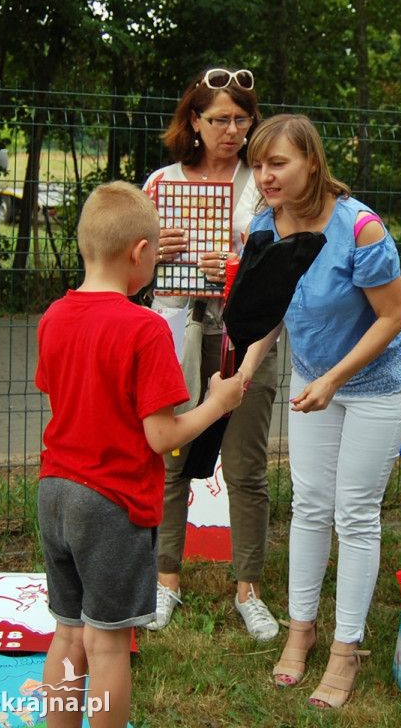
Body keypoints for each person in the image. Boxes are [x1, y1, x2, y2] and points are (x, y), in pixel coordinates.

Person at [35, 181, 244, 728]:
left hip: (54, 492)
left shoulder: (54, 316)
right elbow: (163, 437)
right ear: (140, 253)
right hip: (110, 503)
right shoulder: (144, 327)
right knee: (108, 646)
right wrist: (218, 403)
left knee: (66, 633)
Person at [238, 114, 401, 708]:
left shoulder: (360, 228)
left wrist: (335, 379)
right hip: (313, 379)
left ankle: (346, 649)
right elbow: (268, 311)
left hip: (376, 384)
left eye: (278, 163)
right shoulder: (265, 226)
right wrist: (242, 369)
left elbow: (392, 318)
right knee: (311, 504)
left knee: (356, 512)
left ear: (311, 162)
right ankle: (301, 629)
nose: (264, 175)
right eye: (259, 164)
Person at [143, 67, 279, 641]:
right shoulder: (161, 183)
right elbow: (125, 268)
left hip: (247, 336)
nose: (231, 130)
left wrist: (243, 255)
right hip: (176, 331)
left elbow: (288, 263)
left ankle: (248, 588)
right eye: (218, 118)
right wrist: (153, 250)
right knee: (172, 459)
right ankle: (165, 581)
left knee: (246, 466)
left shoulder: (267, 180)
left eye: (241, 119)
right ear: (193, 121)